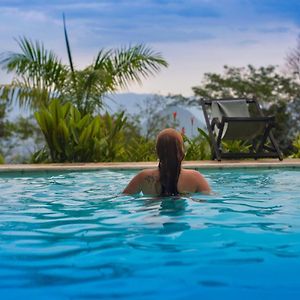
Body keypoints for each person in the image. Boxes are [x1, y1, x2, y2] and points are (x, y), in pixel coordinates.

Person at [123, 128, 211, 195]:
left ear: (157, 152)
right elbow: (209, 200)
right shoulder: (195, 177)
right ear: (182, 152)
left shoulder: (143, 177)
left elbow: (124, 198)